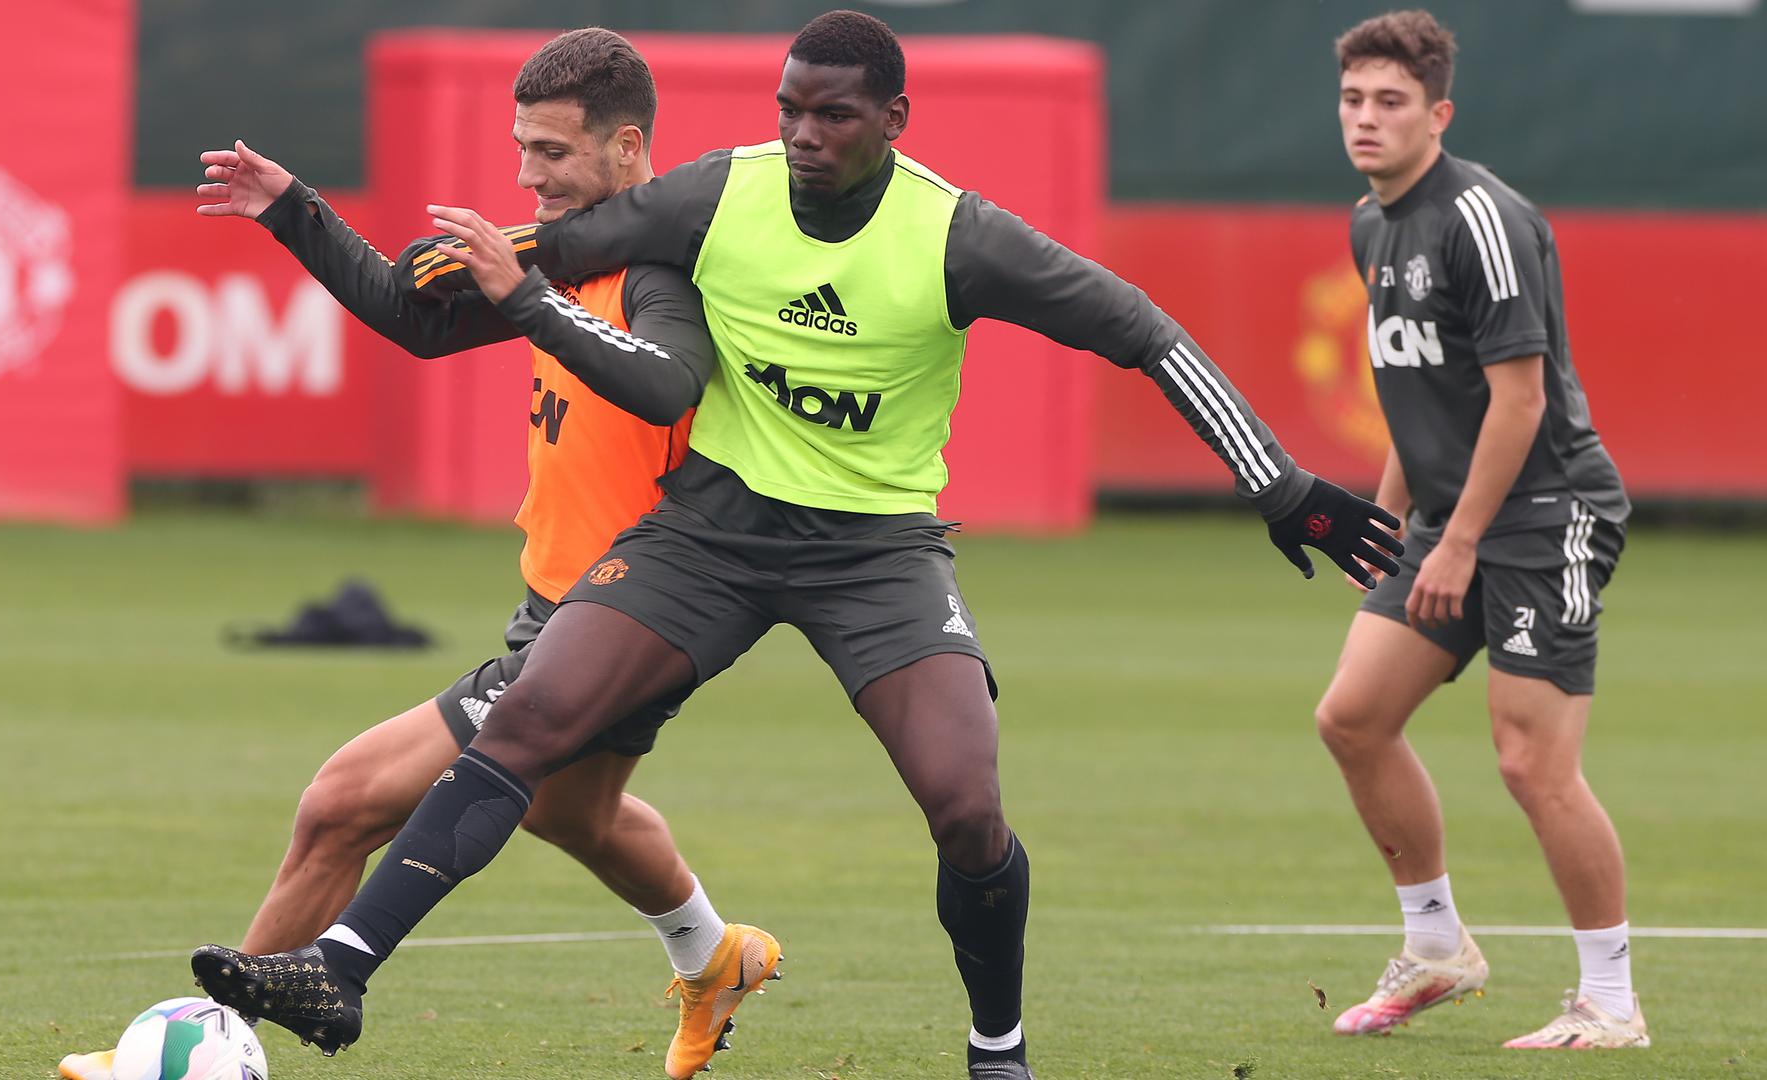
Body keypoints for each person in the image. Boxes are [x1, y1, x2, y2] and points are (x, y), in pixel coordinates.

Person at [192, 11, 1402, 1078]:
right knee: (529, 723)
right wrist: (322, 217)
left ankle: (997, 1054)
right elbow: (446, 307)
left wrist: (1280, 484)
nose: (804, 133)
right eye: (788, 109)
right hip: (711, 534)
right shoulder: (717, 194)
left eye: (832, 114)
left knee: (965, 807)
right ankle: (339, 973)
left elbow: (1142, 330)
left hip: (875, 555)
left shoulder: (955, 236)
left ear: (891, 119)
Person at [63, 30, 780, 1080]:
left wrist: (520, 290)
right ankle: (711, 956)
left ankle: (209, 1045)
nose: (526, 177)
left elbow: (669, 382)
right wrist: (291, 209)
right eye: (519, 148)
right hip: (560, 606)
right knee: (572, 814)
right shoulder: (567, 250)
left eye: (551, 153)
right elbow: (416, 319)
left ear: (629, 149)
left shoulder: (668, 273)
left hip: (620, 620)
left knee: (340, 805)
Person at [1314, 9, 1644, 1050]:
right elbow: (1418, 391)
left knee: (1527, 763)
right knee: (1351, 718)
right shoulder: (1370, 222)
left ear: (1436, 113)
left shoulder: (1482, 219)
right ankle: (1434, 948)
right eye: (1352, 100)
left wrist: (1455, 540)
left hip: (1546, 517)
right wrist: (1387, 518)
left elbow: (1516, 402)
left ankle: (1610, 1004)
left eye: (1389, 103)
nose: (1365, 120)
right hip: (1450, 519)